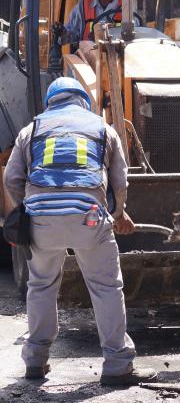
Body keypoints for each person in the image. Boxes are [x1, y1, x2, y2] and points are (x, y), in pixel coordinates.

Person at [3, 77, 157, 386]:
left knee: (42, 286)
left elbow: (11, 178)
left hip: (41, 222)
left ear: (51, 102)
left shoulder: (30, 129)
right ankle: (116, 364)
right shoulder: (102, 128)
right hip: (88, 217)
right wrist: (116, 213)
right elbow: (119, 181)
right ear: (83, 101)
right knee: (105, 287)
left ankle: (35, 360)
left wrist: (31, 207)